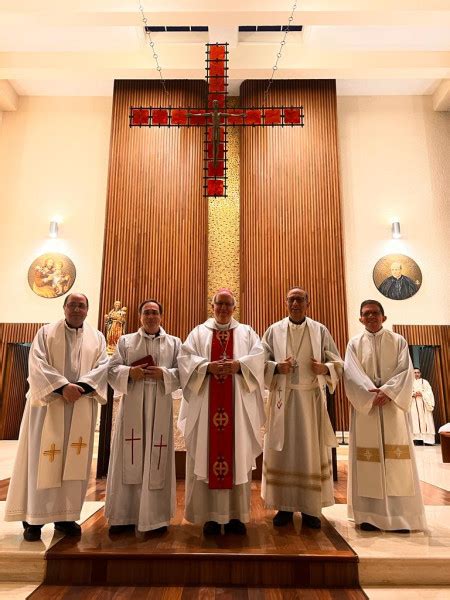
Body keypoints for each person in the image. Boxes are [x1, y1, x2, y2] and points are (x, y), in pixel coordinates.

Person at [5, 293, 108, 541]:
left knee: (74, 461)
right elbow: (37, 364)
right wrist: (63, 387)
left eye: (81, 306)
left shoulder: (97, 337)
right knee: (40, 460)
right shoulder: (45, 333)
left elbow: (103, 366)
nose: (76, 309)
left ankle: (65, 516)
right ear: (64, 307)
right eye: (72, 305)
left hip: (80, 405)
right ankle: (33, 520)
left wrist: (80, 387)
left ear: (87, 310)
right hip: (48, 406)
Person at [178, 288, 265, 535]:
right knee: (207, 454)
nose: (223, 309)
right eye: (219, 304)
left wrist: (239, 365)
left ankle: (237, 516)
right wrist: (207, 367)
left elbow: (258, 358)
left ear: (234, 308)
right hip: (206, 406)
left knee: (237, 454)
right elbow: (185, 360)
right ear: (212, 306)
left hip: (237, 407)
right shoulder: (198, 333)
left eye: (228, 305)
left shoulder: (247, 332)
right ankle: (211, 517)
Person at [261, 287, 343, 529]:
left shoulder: (320, 330)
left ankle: (310, 509)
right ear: (285, 302)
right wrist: (276, 367)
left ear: (308, 302)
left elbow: (337, 361)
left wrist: (324, 369)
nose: (295, 303)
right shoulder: (274, 330)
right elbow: (259, 360)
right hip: (282, 400)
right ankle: (284, 507)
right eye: (291, 299)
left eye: (300, 299)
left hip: (310, 400)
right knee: (283, 451)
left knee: (310, 451)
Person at [344, 299, 426, 532]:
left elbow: (405, 371)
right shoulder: (354, 343)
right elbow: (351, 374)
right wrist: (371, 396)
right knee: (368, 460)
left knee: (396, 461)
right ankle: (369, 516)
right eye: (366, 314)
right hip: (367, 409)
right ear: (360, 318)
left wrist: (388, 392)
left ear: (384, 317)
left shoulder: (398, 341)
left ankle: (401, 518)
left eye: (375, 313)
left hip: (391, 409)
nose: (370, 317)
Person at [105, 299, 181, 534]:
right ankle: (122, 516)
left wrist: (165, 374)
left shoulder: (174, 343)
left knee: (156, 456)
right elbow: (111, 369)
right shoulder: (126, 341)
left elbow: (184, 372)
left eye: (155, 312)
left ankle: (155, 518)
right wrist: (131, 372)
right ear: (140, 317)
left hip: (160, 403)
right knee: (129, 455)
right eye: (146, 312)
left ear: (161, 316)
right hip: (134, 404)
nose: (151, 316)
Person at [410, 368, 436, 445]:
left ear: (420, 373)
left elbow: (429, 392)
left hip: (424, 404)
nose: (416, 374)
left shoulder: (425, 382)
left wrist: (422, 393)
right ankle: (417, 440)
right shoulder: (409, 383)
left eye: (418, 372)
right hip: (413, 404)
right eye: (414, 373)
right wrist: (413, 394)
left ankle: (428, 441)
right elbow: (406, 393)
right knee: (415, 421)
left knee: (426, 420)